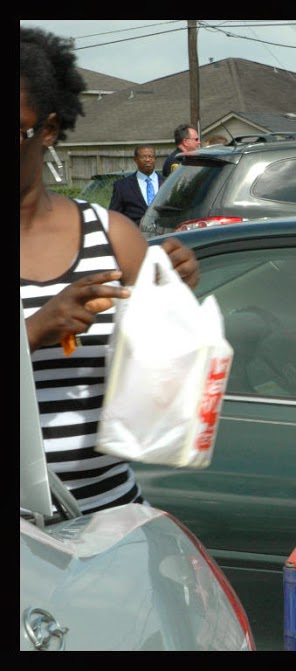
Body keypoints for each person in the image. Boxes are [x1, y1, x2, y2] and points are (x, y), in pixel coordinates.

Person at [21, 26, 202, 514]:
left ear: (49, 130)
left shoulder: (112, 236)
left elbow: (166, 386)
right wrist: (35, 331)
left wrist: (175, 302)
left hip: (108, 520)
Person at [107, 144, 159, 222]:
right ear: (135, 159)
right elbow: (114, 216)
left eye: (150, 157)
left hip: (164, 232)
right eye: (143, 157)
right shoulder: (122, 186)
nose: (147, 160)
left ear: (155, 159)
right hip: (135, 232)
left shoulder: (167, 183)